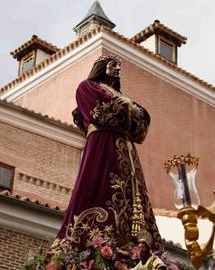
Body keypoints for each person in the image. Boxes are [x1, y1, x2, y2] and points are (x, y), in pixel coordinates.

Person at [54, 54, 162, 253]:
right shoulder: (87, 87)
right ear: (101, 66)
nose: (118, 68)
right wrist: (129, 110)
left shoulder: (119, 95)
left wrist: (129, 111)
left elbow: (142, 123)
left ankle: (134, 241)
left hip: (127, 151)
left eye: (119, 65)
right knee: (102, 184)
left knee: (130, 193)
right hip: (103, 146)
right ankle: (93, 239)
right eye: (113, 64)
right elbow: (98, 112)